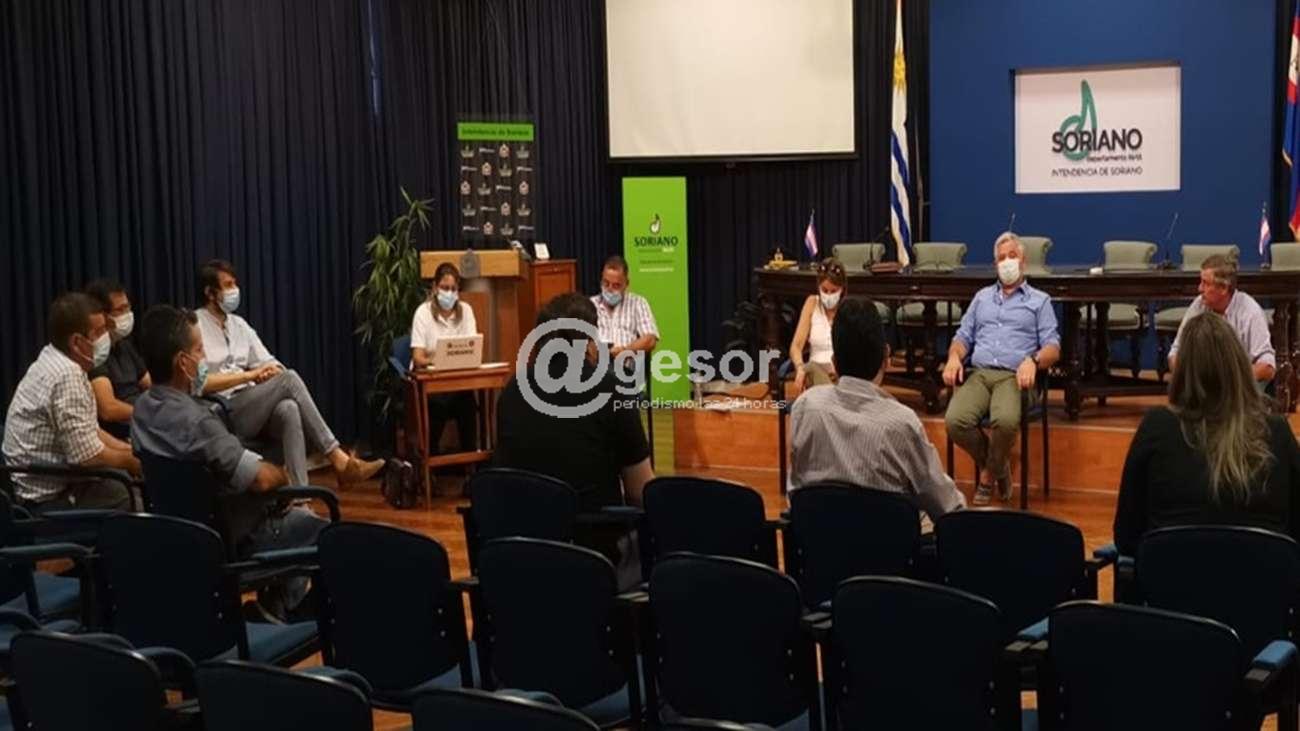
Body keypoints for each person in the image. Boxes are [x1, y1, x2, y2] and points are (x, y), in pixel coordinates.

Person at [132, 305, 326, 619]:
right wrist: (284, 475)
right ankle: (290, 612)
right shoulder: (199, 422)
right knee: (325, 532)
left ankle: (274, 609)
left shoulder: (141, 411)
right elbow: (261, 479)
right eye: (199, 350)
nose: (204, 358)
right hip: (234, 540)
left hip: (179, 536)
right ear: (183, 363)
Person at [495, 293, 653, 588]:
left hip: (521, 559)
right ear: (590, 342)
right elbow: (640, 491)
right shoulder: (612, 390)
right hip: (594, 558)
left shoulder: (512, 391)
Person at [1114, 312, 1300, 554]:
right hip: (1263, 575)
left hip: (1172, 575)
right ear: (1239, 366)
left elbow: (1127, 536)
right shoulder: (1276, 432)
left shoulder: (1156, 428)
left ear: (1182, 371)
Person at [192, 259, 383, 487]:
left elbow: (270, 362)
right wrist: (250, 376)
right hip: (223, 408)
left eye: (235, 283)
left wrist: (269, 372)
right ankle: (337, 458)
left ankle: (300, 496)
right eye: (228, 285)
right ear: (210, 293)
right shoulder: (195, 326)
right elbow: (200, 383)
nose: (235, 290)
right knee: (289, 379)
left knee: (289, 408)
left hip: (252, 402)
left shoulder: (239, 325)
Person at [790, 298, 965, 529]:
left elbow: (796, 490)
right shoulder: (902, 423)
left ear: (834, 362)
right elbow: (946, 507)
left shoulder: (804, 407)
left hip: (818, 545)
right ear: (886, 358)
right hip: (890, 549)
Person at [943, 232, 1061, 505]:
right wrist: (954, 357)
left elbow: (1053, 347)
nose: (1007, 262)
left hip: (1014, 376)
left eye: (1012, 256)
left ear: (1023, 261)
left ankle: (986, 478)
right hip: (979, 373)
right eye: (1001, 258)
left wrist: (1033, 361)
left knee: (1006, 421)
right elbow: (963, 337)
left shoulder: (1039, 301)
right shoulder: (982, 298)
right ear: (995, 264)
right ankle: (998, 465)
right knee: (955, 421)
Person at [2, 293, 139, 512]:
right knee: (128, 493)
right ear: (76, 342)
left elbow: (89, 432)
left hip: (42, 481)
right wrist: (133, 461)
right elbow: (86, 457)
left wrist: (130, 450)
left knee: (125, 474)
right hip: (46, 499)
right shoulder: (67, 375)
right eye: (99, 332)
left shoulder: (54, 356)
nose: (106, 337)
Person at [1167, 254, 1275, 384]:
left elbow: (1268, 366)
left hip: (1239, 386)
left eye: (1206, 283)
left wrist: (1228, 379)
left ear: (1224, 288)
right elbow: (1176, 351)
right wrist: (1186, 375)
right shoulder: (1199, 305)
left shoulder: (1250, 312)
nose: (1199, 288)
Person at [410, 262, 478, 454]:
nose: (449, 293)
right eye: (444, 288)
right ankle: (431, 462)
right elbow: (418, 357)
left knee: (468, 404)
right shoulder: (423, 313)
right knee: (436, 406)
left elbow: (472, 349)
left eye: (453, 289)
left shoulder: (466, 311)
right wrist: (439, 360)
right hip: (431, 388)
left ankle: (471, 462)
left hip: (458, 385)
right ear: (434, 287)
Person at [84, 279, 150, 438]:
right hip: (123, 430)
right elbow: (108, 409)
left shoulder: (124, 345)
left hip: (143, 420)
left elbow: (150, 383)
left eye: (128, 308)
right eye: (120, 310)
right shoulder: (95, 354)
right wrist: (149, 414)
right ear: (103, 315)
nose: (127, 315)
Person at [789, 258, 847, 390]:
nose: (829, 295)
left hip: (840, 377)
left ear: (842, 289)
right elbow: (796, 346)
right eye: (824, 290)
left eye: (833, 291)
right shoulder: (811, 303)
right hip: (815, 375)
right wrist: (799, 367)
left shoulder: (848, 309)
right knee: (811, 369)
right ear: (818, 287)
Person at [591, 255, 659, 357]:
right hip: (597, 363)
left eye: (616, 285)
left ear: (626, 284)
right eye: (606, 283)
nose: (610, 289)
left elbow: (650, 340)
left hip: (628, 362)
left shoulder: (638, 303)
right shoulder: (590, 304)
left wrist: (625, 351)